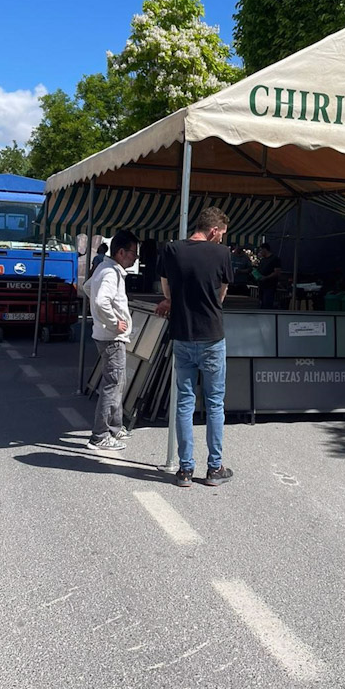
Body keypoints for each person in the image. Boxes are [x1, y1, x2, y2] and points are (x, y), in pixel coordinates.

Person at [157, 208, 233, 489]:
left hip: (183, 335)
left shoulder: (172, 250)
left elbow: (165, 285)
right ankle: (215, 468)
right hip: (212, 335)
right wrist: (213, 304)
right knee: (214, 403)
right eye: (221, 234)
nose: (221, 239)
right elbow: (223, 291)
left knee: (185, 403)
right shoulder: (222, 253)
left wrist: (172, 300)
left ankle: (185, 470)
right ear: (214, 231)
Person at [82, 229, 138, 452]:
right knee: (112, 385)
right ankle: (100, 435)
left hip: (107, 335)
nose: (135, 257)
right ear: (121, 252)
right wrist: (114, 322)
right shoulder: (110, 273)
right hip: (112, 337)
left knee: (117, 382)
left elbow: (87, 288)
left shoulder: (105, 269)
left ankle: (115, 427)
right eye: (133, 253)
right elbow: (100, 300)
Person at [255, 242, 281, 309]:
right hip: (261, 285)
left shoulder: (275, 259)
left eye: (261, 250)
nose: (260, 252)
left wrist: (266, 277)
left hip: (269, 286)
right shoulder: (263, 260)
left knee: (267, 304)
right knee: (261, 304)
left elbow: (277, 272)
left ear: (265, 249)